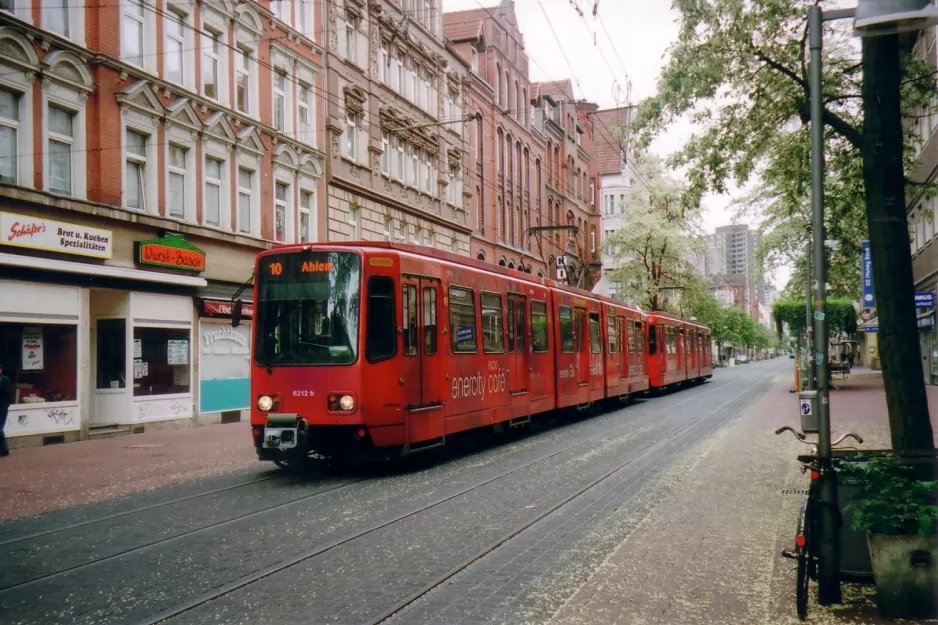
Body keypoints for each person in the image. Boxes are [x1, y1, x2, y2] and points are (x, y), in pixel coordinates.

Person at [0, 362, 11, 457]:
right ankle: (4, 449)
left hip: (2, 409)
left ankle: (4, 449)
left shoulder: (5, 380)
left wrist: (4, 408)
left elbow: (8, 397)